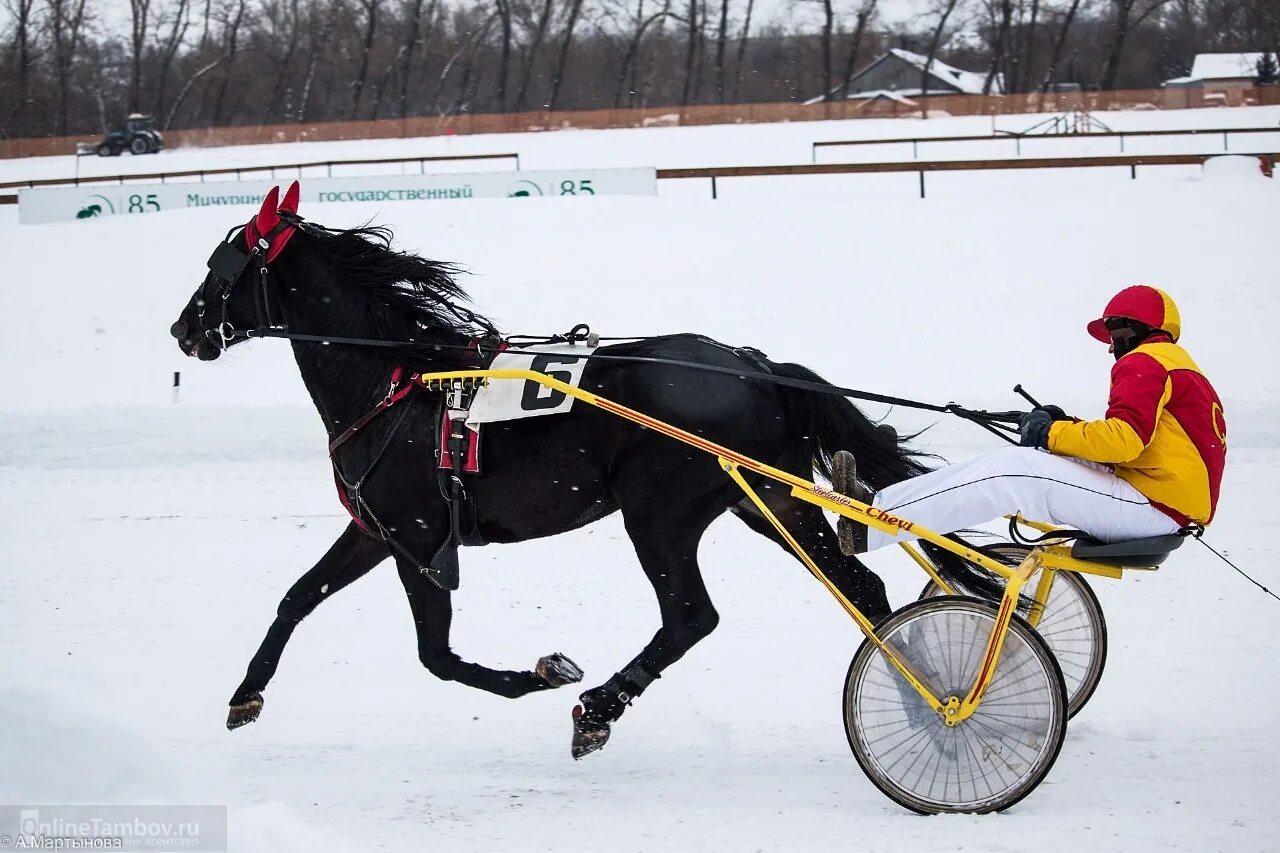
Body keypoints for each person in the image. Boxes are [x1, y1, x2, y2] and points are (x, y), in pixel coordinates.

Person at [839, 285, 1227, 554]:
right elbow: (1142, 443)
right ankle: (882, 504)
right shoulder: (1179, 367)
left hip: (1152, 507)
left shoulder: (1145, 362)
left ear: (1144, 330)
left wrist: (1052, 433)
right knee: (1013, 467)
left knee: (1014, 471)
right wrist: (1064, 425)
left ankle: (873, 522)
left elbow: (1124, 441)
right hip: (1159, 503)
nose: (1111, 343)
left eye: (1117, 329)